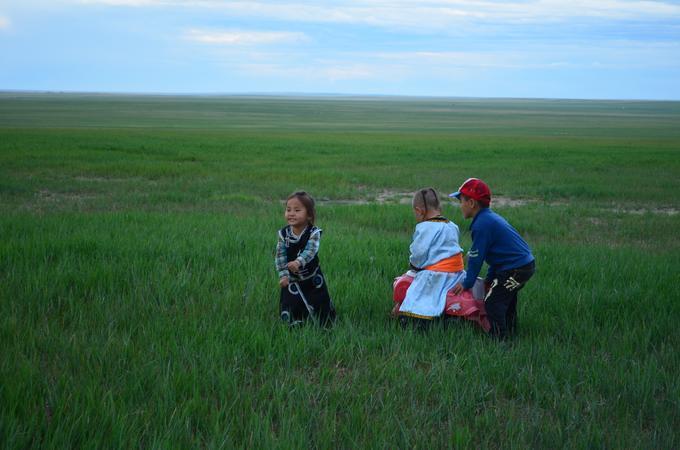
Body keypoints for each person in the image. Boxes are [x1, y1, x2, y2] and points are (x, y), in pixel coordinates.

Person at [450, 178, 535, 340]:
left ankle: (500, 341)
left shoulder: (481, 225)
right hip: (521, 266)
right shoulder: (488, 219)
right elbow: (495, 257)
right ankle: (511, 333)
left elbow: (475, 258)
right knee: (505, 300)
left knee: (493, 303)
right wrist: (489, 279)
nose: (460, 205)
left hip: (516, 268)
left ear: (472, 203)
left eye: (461, 201)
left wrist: (467, 283)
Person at [397, 188, 466, 328]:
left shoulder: (425, 228)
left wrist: (415, 265)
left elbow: (419, 253)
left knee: (417, 297)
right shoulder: (452, 226)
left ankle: (414, 320)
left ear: (419, 211)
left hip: (438, 275)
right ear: (438, 207)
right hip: (457, 274)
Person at [275, 191, 336, 326]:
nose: (291, 213)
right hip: (291, 279)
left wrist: (298, 261)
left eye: (297, 210)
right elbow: (280, 255)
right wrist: (283, 275)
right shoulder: (283, 234)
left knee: (318, 301)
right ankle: (294, 325)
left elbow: (310, 251)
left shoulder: (313, 233)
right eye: (288, 209)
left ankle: (324, 323)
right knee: (291, 302)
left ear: (309, 215)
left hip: (312, 278)